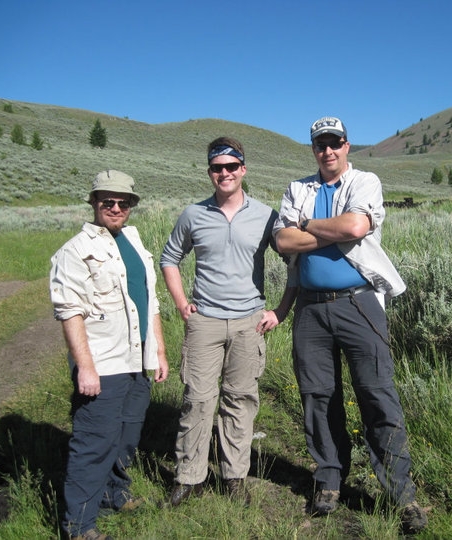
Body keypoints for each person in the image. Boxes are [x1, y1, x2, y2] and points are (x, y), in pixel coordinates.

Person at [272, 116, 428, 534]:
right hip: (310, 308)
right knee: (317, 396)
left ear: (346, 146)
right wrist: (332, 231)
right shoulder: (298, 189)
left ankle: (401, 495)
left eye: (334, 143)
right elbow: (282, 241)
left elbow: (356, 226)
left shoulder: (364, 182)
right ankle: (329, 479)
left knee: (377, 395)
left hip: (358, 303)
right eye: (320, 145)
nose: (327, 151)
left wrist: (306, 225)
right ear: (313, 149)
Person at [160, 136, 296, 508]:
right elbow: (169, 258)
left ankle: (234, 477)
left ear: (243, 169)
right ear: (210, 172)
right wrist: (182, 303)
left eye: (231, 166)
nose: (225, 173)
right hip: (204, 321)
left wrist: (280, 311)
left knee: (240, 400)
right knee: (197, 400)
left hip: (249, 323)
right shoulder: (193, 214)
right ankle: (190, 477)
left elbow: (293, 262)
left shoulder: (266, 216)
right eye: (217, 168)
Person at [50, 169, 170, 540]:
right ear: (94, 202)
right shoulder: (75, 251)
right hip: (103, 364)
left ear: (131, 205)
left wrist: (159, 351)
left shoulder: (132, 241)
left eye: (123, 202)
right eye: (108, 201)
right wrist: (85, 368)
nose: (116, 208)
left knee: (126, 435)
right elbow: (70, 312)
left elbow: (150, 300)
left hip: (138, 359)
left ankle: (114, 494)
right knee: (94, 444)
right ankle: (79, 526)